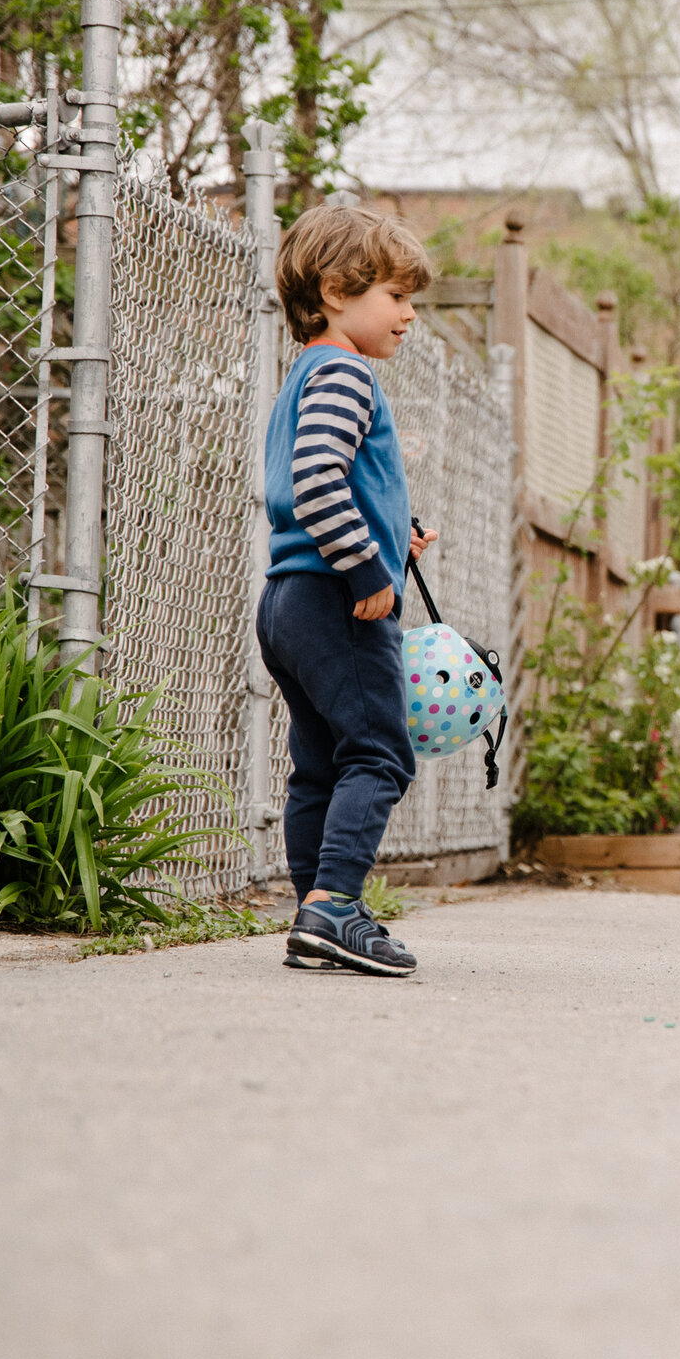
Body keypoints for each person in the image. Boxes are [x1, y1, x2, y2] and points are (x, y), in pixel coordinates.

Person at [261, 204, 439, 977]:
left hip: (288, 599)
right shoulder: (344, 371)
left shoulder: (305, 373)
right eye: (396, 296)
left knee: (321, 764)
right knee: (378, 753)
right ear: (336, 289)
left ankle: (316, 912)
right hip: (338, 599)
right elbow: (317, 482)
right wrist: (369, 567)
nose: (408, 314)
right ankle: (335, 903)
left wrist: (399, 535)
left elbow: (338, 478)